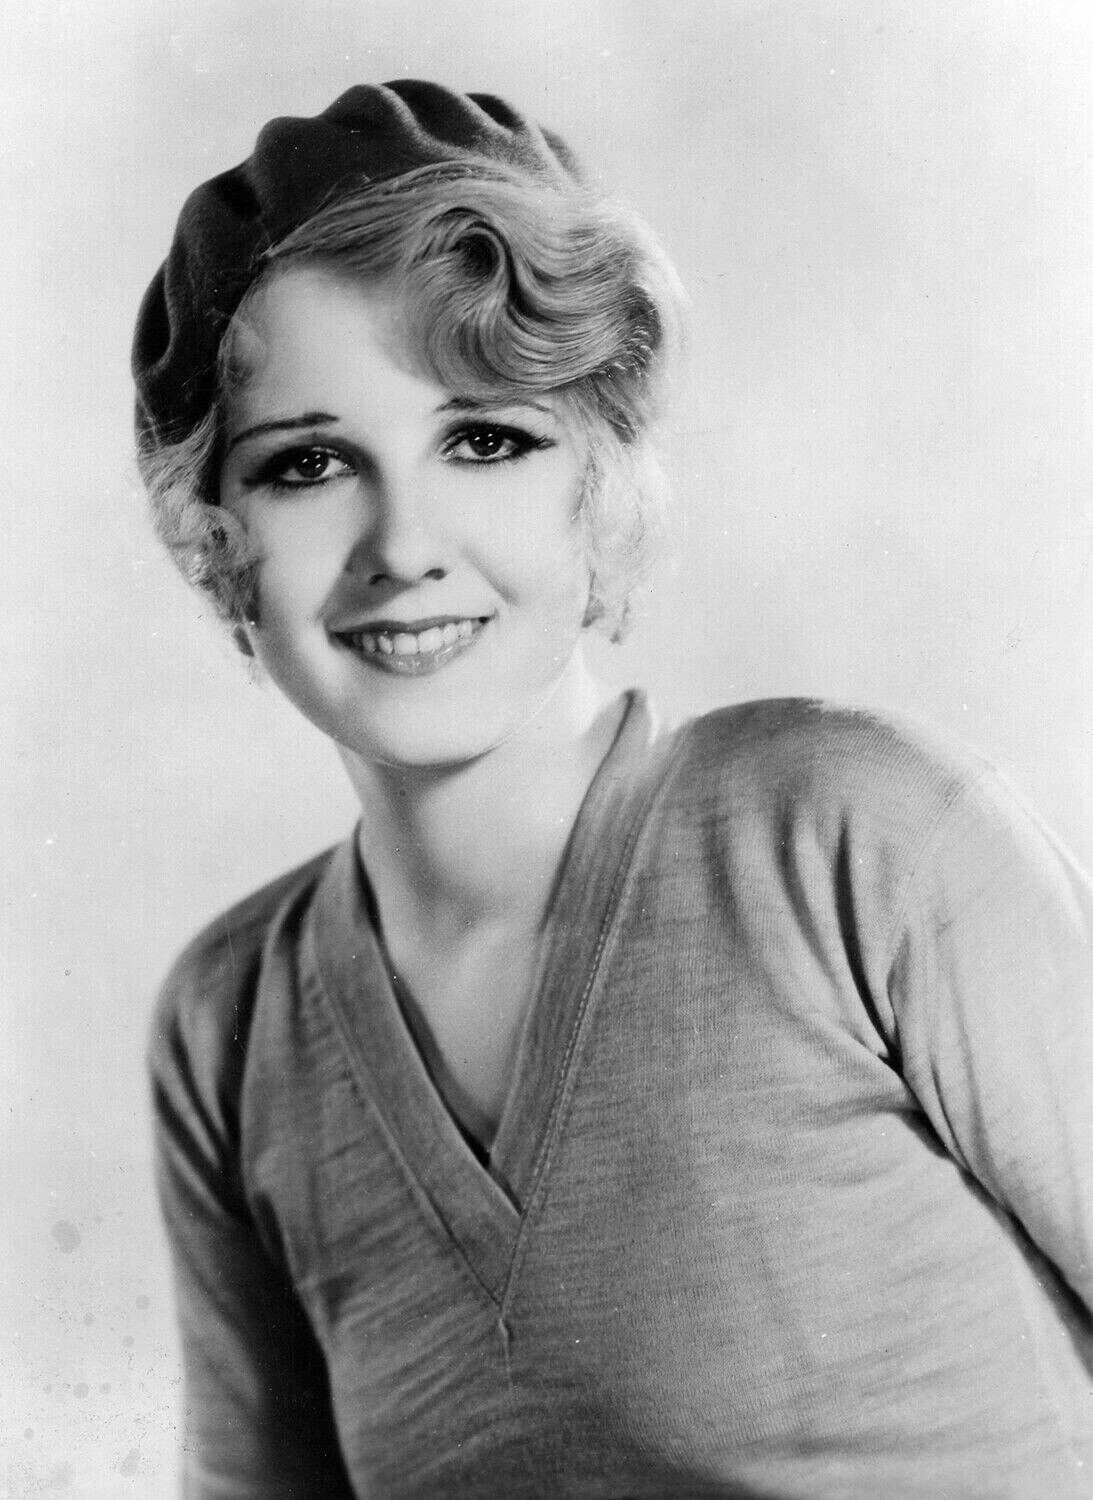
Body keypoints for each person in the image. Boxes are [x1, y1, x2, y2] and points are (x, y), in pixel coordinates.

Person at [132, 82, 1092, 1499]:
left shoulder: (859, 838)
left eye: (485, 440)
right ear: (218, 541)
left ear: (602, 483)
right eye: (310, 463)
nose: (404, 545)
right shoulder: (230, 1027)